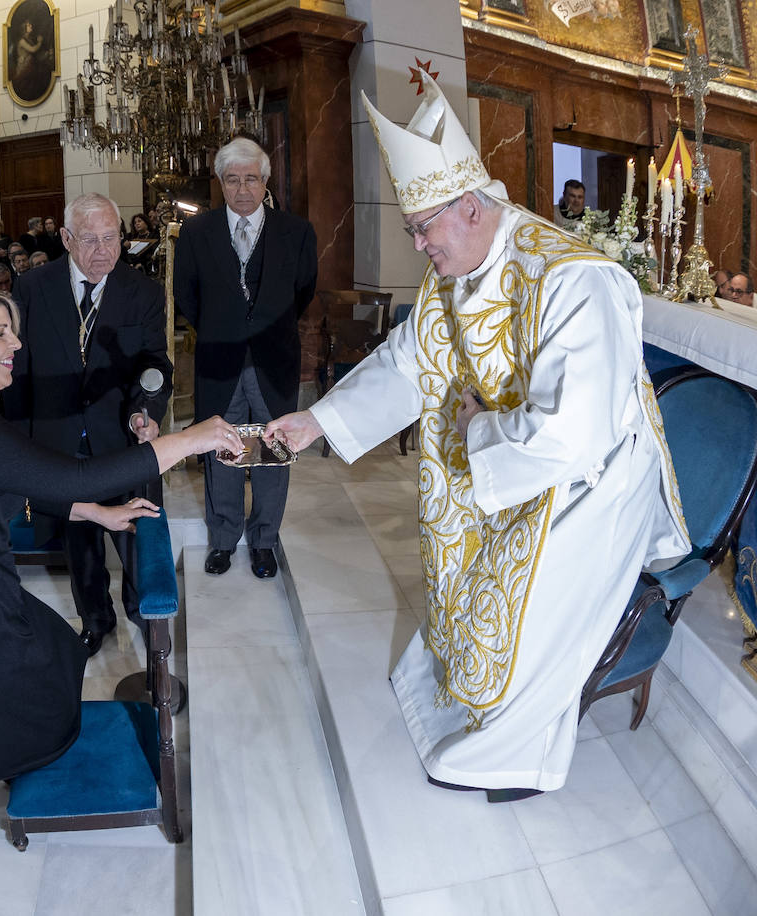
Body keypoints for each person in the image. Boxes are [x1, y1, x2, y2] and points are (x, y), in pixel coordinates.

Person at [266, 76, 690, 800]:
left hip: (591, 484)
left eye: (423, 227)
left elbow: (576, 432)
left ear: (470, 206)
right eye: (412, 230)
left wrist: (478, 429)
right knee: (461, 560)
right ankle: (456, 695)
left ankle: (513, 754)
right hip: (510, 459)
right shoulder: (454, 268)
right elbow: (408, 362)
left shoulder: (574, 280)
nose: (418, 245)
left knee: (527, 598)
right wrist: (318, 422)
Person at [0, 284, 240, 832]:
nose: (16, 345)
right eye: (1, 333)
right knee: (19, 723)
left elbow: (14, 486)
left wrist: (95, 513)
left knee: (57, 653)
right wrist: (189, 440)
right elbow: (75, 476)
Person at [4, 192, 172, 656]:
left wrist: (145, 410)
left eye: (111, 238)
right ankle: (95, 620)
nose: (104, 250)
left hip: (120, 436)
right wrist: (18, 441)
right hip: (57, 438)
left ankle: (144, 615)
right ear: (65, 238)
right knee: (79, 541)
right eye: (90, 239)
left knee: (135, 534)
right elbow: (17, 371)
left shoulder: (143, 291)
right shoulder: (33, 287)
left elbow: (155, 363)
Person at [173, 136, 318, 579]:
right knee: (222, 450)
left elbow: (303, 291)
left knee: (275, 450)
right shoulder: (196, 232)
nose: (242, 189)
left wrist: (265, 328)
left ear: (265, 181)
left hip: (275, 360)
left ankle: (264, 542)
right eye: (232, 180)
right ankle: (222, 539)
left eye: (251, 179)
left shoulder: (296, 232)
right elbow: (186, 295)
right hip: (219, 360)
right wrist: (223, 328)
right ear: (221, 182)